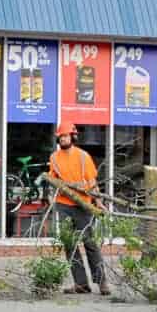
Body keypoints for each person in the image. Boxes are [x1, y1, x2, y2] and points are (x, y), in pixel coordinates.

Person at [49, 122, 108, 296]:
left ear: (73, 137)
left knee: (90, 243)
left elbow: (92, 182)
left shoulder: (83, 157)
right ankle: (81, 284)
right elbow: (53, 179)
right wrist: (50, 195)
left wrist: (98, 202)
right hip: (63, 204)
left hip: (83, 204)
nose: (63, 139)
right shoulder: (54, 158)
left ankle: (102, 282)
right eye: (61, 137)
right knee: (70, 244)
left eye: (66, 136)